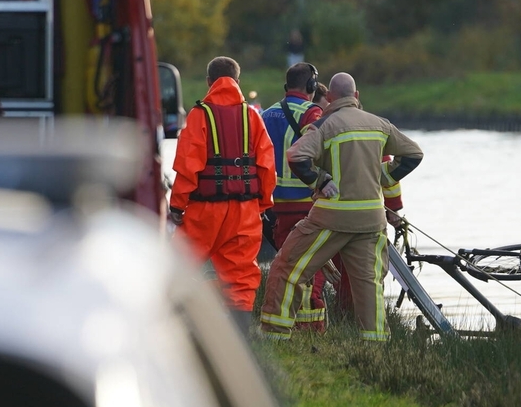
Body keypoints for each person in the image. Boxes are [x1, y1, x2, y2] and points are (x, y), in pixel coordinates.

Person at [260, 73, 423, 341]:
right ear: (356, 96)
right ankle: (376, 342)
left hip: (331, 217)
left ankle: (275, 332)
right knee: (369, 285)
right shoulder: (379, 124)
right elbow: (414, 154)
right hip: (372, 221)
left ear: (330, 98)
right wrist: (383, 175)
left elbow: (296, 155)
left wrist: (320, 180)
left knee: (287, 266)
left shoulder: (325, 125)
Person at [168, 56, 276, 335]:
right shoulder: (252, 116)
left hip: (204, 211)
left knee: (178, 265)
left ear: (208, 82)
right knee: (240, 277)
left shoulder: (199, 115)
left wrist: (177, 205)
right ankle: (240, 336)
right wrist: (262, 203)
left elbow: (187, 166)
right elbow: (266, 165)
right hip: (245, 211)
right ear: (238, 82)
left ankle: (178, 330)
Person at [260, 62, 327, 331]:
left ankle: (284, 319)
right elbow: (323, 153)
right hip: (306, 204)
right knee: (311, 266)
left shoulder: (265, 114)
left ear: (286, 86)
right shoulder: (312, 113)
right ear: (311, 87)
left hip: (274, 206)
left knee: (286, 264)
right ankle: (311, 329)